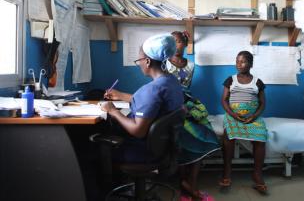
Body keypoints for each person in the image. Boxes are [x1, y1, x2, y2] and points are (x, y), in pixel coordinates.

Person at [101, 33, 184, 163]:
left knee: (98, 145)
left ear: (147, 61)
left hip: (142, 150)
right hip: (164, 147)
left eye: (139, 61)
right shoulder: (172, 81)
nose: (139, 64)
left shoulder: (151, 89)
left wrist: (113, 111)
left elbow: (138, 131)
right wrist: (120, 95)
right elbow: (153, 103)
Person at [167, 31, 220, 200]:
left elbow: (186, 87)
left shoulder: (190, 65)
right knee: (183, 138)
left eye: (179, 42)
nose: (176, 45)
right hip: (171, 105)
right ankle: (185, 186)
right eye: (172, 42)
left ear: (184, 44)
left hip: (188, 102)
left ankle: (192, 184)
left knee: (203, 131)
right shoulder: (163, 64)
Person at [220, 50, 268, 195]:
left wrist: (254, 116)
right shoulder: (231, 80)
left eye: (242, 61)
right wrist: (233, 114)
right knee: (228, 135)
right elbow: (224, 100)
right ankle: (227, 170)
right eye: (237, 61)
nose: (239, 64)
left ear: (250, 64)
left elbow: (262, 103)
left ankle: (257, 173)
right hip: (233, 116)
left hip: (251, 117)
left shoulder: (257, 82)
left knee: (261, 137)